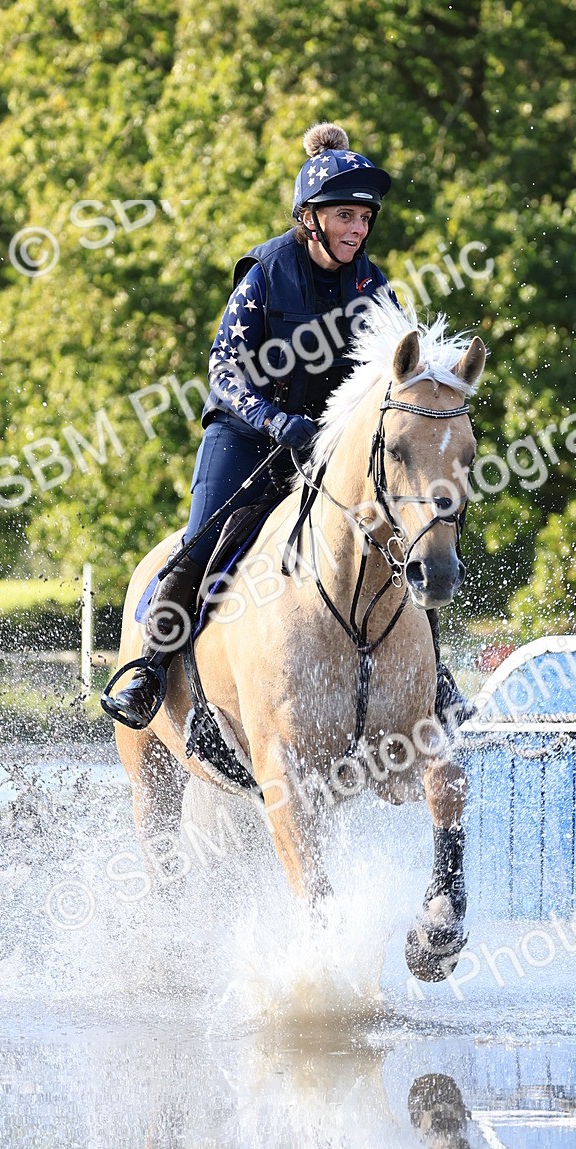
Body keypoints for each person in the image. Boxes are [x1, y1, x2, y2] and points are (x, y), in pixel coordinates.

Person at [103, 122, 471, 733]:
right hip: (247, 434)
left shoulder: (373, 287)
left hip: (327, 444)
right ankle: (153, 667)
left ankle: (435, 680)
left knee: (404, 534)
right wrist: (275, 421)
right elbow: (223, 371)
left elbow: (403, 378)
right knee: (203, 541)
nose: (357, 229)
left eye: (364, 218)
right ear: (310, 218)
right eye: (346, 216)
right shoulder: (267, 273)